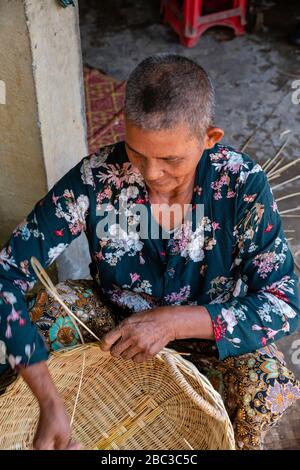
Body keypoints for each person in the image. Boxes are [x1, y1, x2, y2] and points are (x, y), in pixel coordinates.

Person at [0, 54, 299, 450]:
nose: (151, 174)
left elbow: (285, 301)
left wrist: (173, 323)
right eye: (137, 153)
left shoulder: (241, 185)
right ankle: (62, 420)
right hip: (113, 331)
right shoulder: (97, 178)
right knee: (50, 309)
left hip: (208, 332)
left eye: (171, 159)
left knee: (267, 384)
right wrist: (48, 400)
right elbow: (7, 274)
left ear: (209, 138)